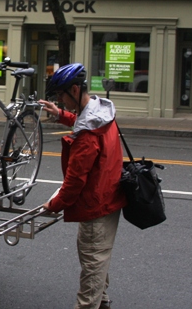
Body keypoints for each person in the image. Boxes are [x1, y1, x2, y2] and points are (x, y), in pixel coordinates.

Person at [39, 63, 127, 309]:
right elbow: (83, 120)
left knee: (92, 262)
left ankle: (91, 304)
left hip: (95, 206)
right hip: (111, 196)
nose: (60, 100)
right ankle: (103, 301)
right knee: (100, 258)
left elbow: (74, 182)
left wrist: (53, 205)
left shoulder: (87, 137)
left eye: (61, 96)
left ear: (75, 90)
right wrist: (60, 114)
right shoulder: (102, 112)